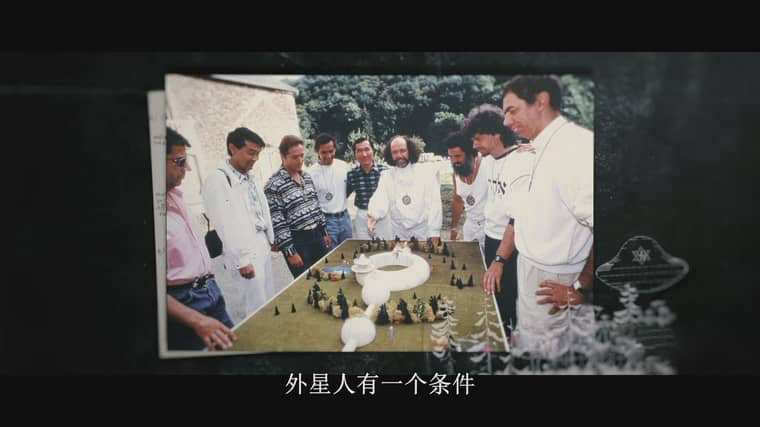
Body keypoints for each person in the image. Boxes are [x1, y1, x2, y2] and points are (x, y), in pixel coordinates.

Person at [501, 75, 594, 355]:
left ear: (541, 101)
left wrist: (581, 287)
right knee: (530, 346)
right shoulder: (539, 145)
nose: (506, 121)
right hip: (529, 270)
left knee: (549, 357)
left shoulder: (576, 148)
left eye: (512, 110)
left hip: (557, 279)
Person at [462, 104, 534, 336]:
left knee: (512, 303)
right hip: (491, 239)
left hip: (512, 246)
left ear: (496, 134)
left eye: (478, 139)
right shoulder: (489, 160)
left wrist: (499, 260)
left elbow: (516, 220)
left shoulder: (521, 163)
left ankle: (512, 347)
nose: (474, 145)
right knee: (496, 301)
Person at [165, 127, 236, 351]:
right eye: (180, 161)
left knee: (234, 349)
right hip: (183, 305)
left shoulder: (175, 196)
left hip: (210, 291)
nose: (187, 168)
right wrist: (195, 320)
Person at [202, 127, 276, 325]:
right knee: (254, 307)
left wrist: (271, 238)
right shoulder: (218, 179)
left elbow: (261, 210)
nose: (255, 159)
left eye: (258, 154)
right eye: (251, 152)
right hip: (244, 251)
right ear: (233, 148)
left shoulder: (250, 177)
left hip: (260, 244)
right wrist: (242, 260)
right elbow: (224, 224)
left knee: (268, 298)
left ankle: (271, 334)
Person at [264, 135, 331, 278]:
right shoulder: (273, 185)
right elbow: (278, 223)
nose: (300, 160)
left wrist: (324, 232)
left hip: (317, 236)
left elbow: (316, 206)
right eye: (295, 157)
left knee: (325, 275)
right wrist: (290, 252)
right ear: (283, 157)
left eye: (302, 156)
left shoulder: (306, 177)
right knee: (306, 282)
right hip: (298, 241)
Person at [367, 135, 442, 243]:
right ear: (390, 154)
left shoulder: (426, 173)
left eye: (402, 151)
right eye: (395, 152)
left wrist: (434, 232)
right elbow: (380, 198)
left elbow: (435, 204)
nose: (399, 155)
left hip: (423, 232)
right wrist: (373, 215)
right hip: (398, 232)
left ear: (410, 151)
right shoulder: (386, 176)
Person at [306, 133, 351, 249]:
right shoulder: (310, 173)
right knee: (331, 255)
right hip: (326, 221)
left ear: (335, 149)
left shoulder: (344, 166)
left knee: (349, 252)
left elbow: (349, 188)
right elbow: (311, 202)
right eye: (324, 152)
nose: (328, 155)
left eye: (331, 151)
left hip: (345, 217)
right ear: (317, 151)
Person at [445, 130, 487, 252]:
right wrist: (453, 228)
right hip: (470, 228)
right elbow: (458, 200)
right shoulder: (456, 175)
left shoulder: (488, 165)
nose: (454, 161)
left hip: (489, 229)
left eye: (458, 156)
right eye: (450, 157)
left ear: (470, 154)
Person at [346, 136, 389, 239]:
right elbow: (343, 195)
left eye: (367, 149)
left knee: (385, 245)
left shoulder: (385, 171)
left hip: (382, 217)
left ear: (373, 151)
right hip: (362, 216)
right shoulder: (352, 175)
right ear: (355, 154)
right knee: (364, 246)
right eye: (359, 151)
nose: (364, 154)